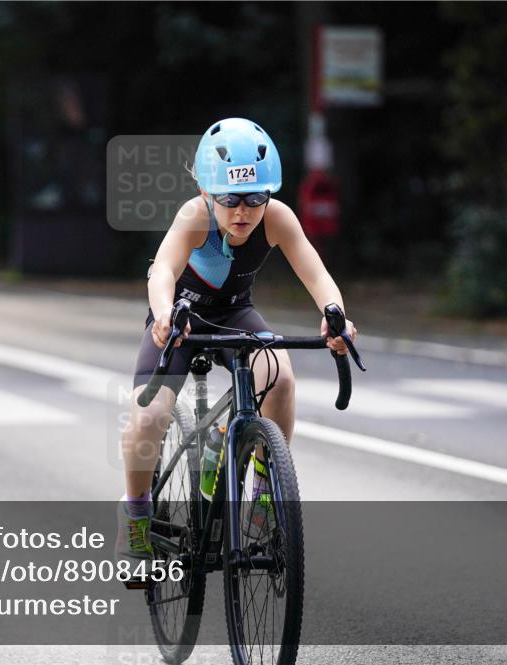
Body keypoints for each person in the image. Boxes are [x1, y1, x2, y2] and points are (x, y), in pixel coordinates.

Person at [117, 118, 358, 561]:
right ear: (208, 193)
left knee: (280, 377)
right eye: (229, 199)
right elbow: (163, 269)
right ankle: (135, 517)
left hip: (233, 314)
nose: (243, 211)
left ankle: (263, 486)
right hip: (180, 316)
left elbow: (316, 272)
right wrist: (166, 313)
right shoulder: (194, 216)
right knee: (149, 416)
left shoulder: (278, 218)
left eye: (255, 198)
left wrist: (335, 315)